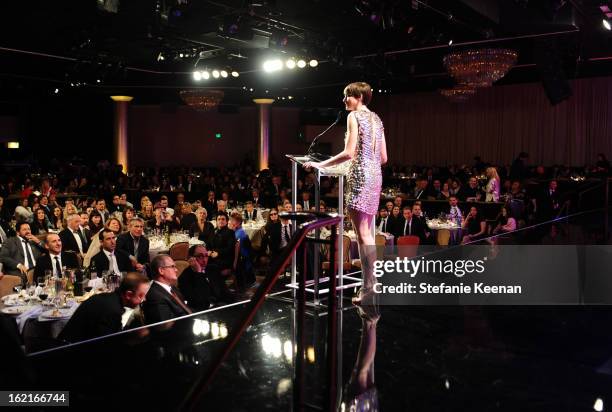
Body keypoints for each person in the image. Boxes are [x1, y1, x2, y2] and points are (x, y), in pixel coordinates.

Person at [304, 82, 387, 305]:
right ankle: (373, 283)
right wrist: (363, 163)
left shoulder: (354, 117)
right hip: (375, 176)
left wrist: (321, 166)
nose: (344, 101)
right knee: (367, 232)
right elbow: (383, 158)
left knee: (363, 235)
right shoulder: (377, 119)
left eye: (346, 96)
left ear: (358, 96)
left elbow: (349, 153)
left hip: (360, 178)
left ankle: (369, 287)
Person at [58, 272, 149, 343]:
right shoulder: (113, 310)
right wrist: (134, 337)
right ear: (128, 294)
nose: (144, 299)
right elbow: (108, 347)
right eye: (141, 296)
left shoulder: (109, 298)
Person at [178, 245, 236, 311]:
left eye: (206, 256)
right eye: (200, 256)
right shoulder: (184, 278)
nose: (204, 260)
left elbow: (224, 291)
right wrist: (199, 273)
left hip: (221, 308)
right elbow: (200, 302)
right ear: (190, 258)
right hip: (203, 313)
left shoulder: (213, 269)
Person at [142, 254, 192, 323]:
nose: (176, 270)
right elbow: (166, 326)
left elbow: (186, 309)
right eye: (173, 266)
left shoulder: (172, 288)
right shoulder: (155, 296)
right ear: (161, 270)